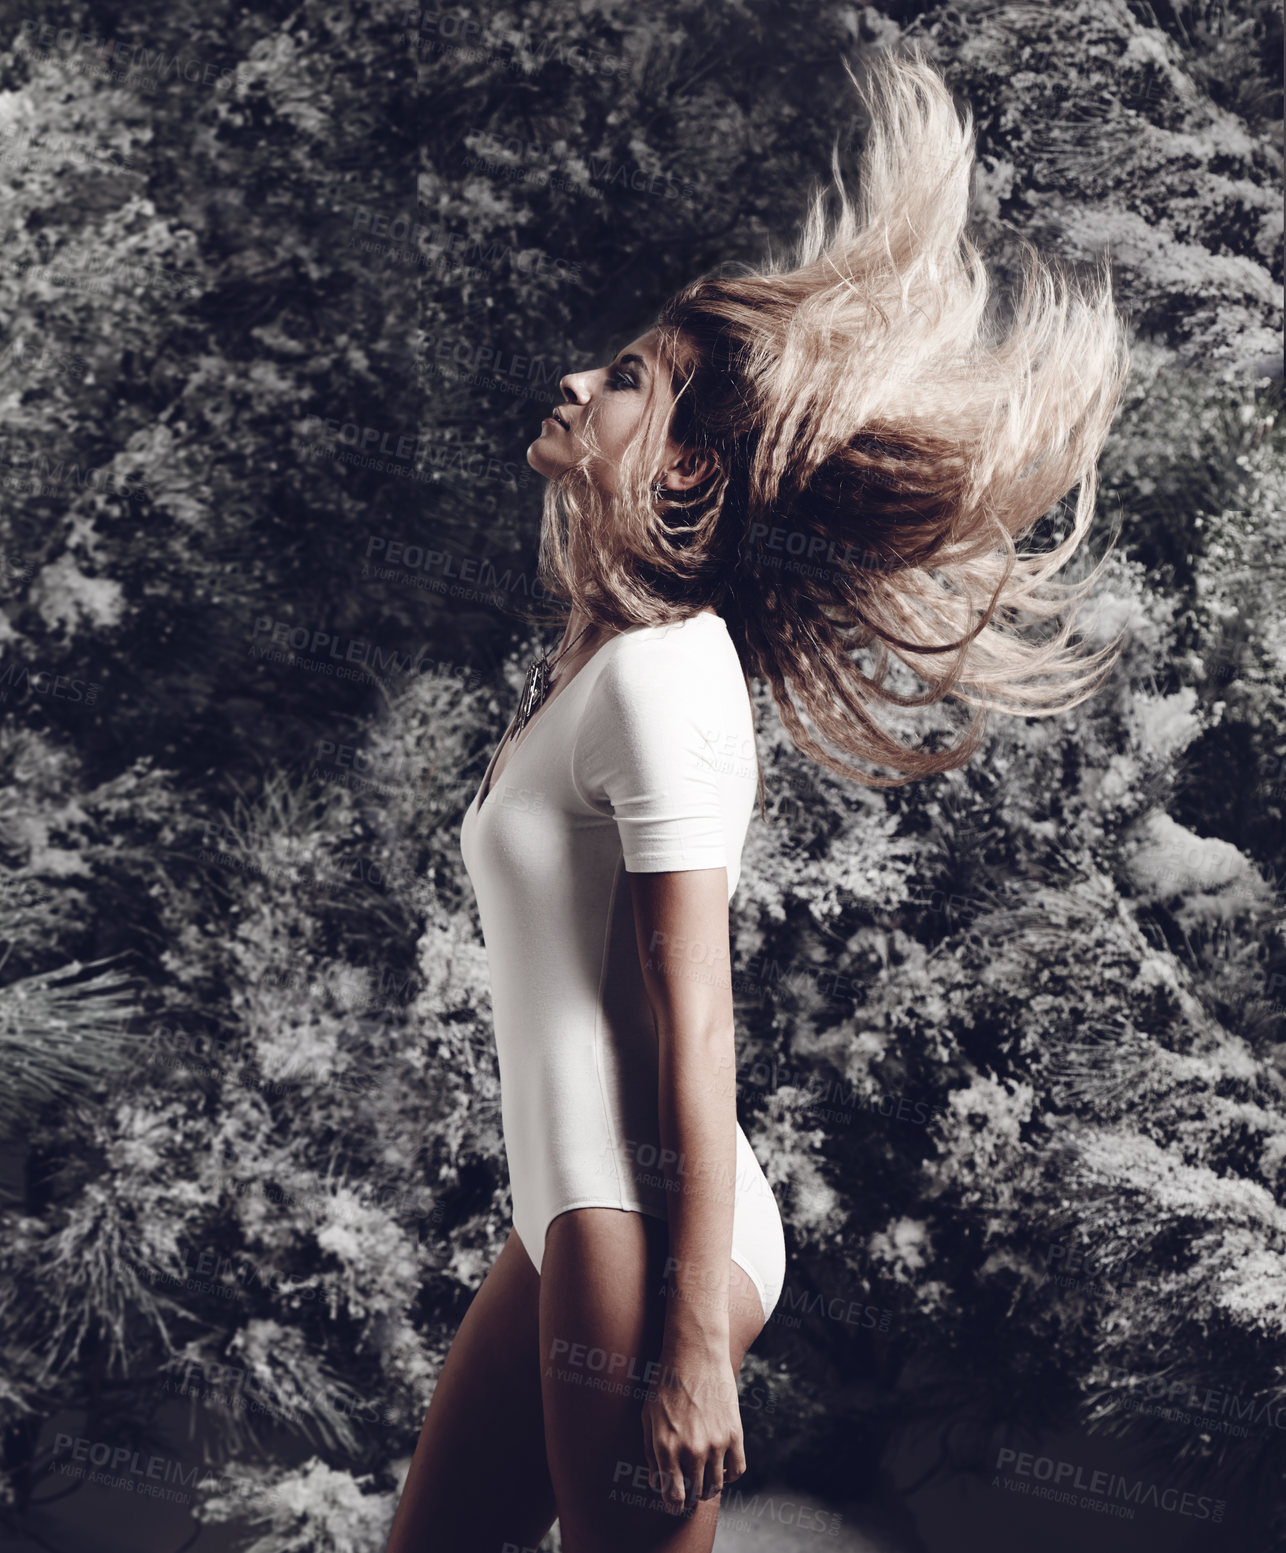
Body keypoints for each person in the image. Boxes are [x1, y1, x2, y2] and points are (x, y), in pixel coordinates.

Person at [385, 44, 1128, 1553]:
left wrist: (689, 1347)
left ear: (683, 467)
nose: (580, 383)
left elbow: (697, 1020)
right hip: (569, 1209)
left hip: (640, 1229)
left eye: (627, 380)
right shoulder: (600, 665)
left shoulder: (671, 676)